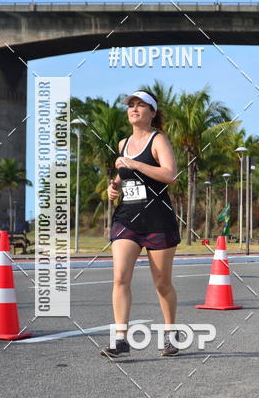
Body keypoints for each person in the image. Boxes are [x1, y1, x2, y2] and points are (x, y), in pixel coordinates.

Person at [101, 90, 181, 357]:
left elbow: (170, 174)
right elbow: (124, 175)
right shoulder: (123, 143)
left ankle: (170, 334)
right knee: (120, 277)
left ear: (153, 112)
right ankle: (121, 339)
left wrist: (135, 164)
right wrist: (114, 186)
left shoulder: (158, 140)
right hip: (127, 219)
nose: (134, 109)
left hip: (158, 219)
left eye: (141, 105)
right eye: (131, 105)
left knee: (162, 283)